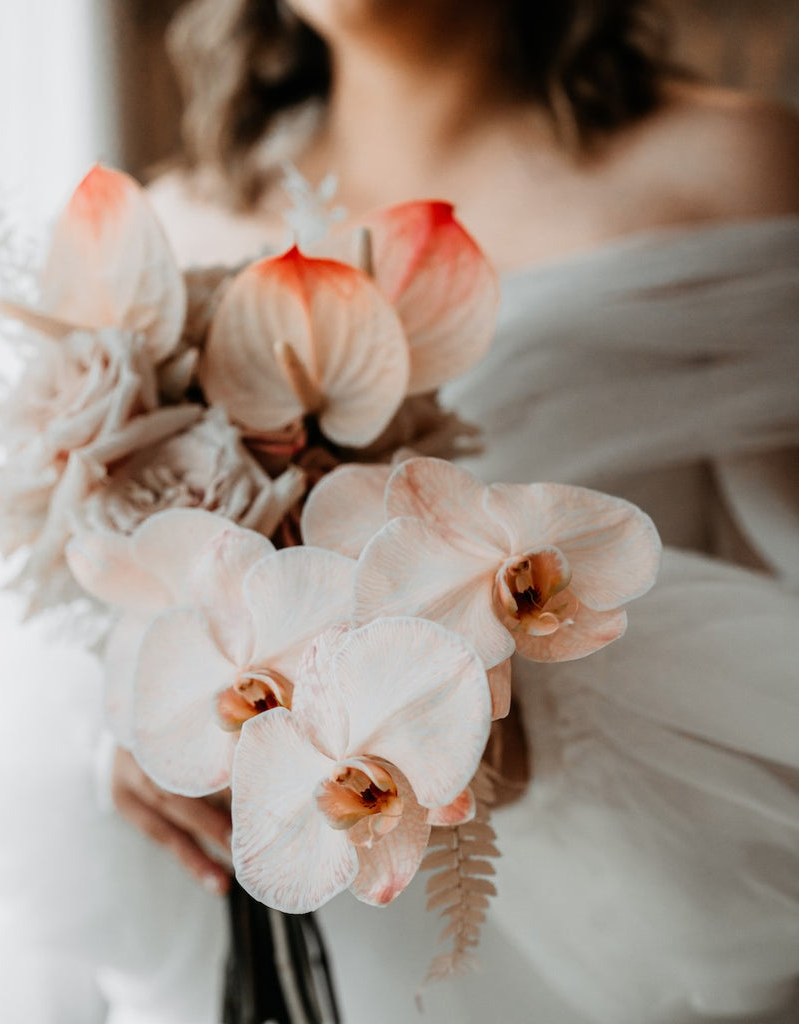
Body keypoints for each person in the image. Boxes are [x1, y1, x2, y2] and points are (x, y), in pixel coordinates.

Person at [99, 1, 799, 1020]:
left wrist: (517, 714)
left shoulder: (733, 169)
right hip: (260, 931)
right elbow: (100, 593)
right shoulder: (172, 227)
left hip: (622, 910)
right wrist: (142, 715)